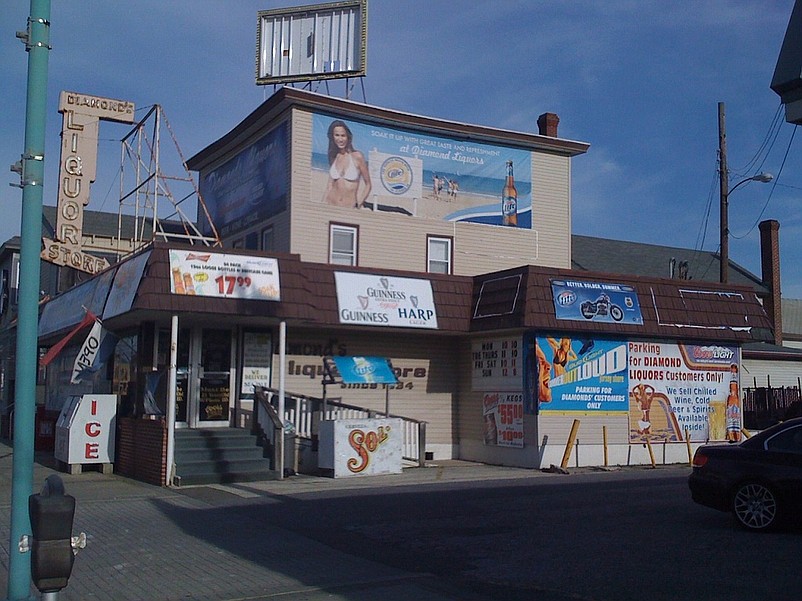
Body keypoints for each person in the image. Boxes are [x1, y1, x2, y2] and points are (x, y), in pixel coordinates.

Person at [322, 120, 372, 208]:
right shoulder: (333, 156)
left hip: (349, 207)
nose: (340, 139)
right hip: (330, 204)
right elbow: (330, 186)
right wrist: (321, 205)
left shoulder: (357, 156)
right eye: (337, 135)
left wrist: (359, 203)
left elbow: (368, 184)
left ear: (348, 137)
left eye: (343, 135)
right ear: (332, 137)